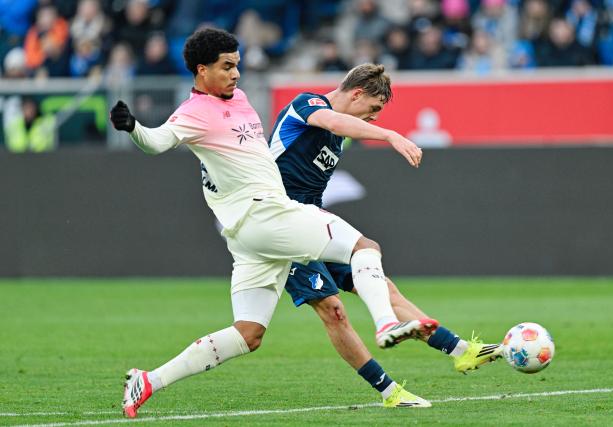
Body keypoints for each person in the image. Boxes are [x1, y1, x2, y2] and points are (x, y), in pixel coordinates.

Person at [110, 28, 430, 419]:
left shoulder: (239, 99)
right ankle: (385, 326)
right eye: (226, 67)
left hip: (247, 236)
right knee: (365, 248)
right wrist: (133, 128)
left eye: (237, 65)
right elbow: (157, 142)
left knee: (248, 333)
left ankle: (148, 381)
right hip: (267, 215)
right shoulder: (193, 113)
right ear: (202, 70)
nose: (235, 74)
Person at [269, 63, 503, 377]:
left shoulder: (339, 138)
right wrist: (391, 135)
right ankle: (387, 387)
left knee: (381, 285)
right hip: (277, 224)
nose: (376, 116)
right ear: (356, 94)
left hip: (310, 222)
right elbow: (333, 121)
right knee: (332, 310)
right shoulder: (307, 105)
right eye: (374, 107)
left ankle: (462, 351)